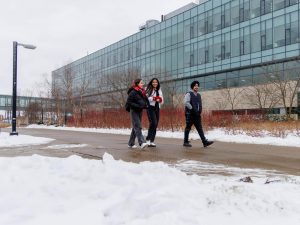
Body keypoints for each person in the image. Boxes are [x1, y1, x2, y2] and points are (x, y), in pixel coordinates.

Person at [183, 81, 214, 148]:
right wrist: (192, 109)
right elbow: (186, 102)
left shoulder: (199, 95)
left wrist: (199, 111)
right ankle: (185, 142)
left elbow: (199, 104)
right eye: (195, 86)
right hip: (190, 114)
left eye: (197, 86)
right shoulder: (189, 94)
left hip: (197, 115)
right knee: (188, 128)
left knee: (200, 128)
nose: (196, 87)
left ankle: (204, 142)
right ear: (192, 87)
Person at [126, 78, 149, 149]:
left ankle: (131, 143)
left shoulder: (142, 91)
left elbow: (144, 101)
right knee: (138, 126)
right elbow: (129, 102)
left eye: (143, 83)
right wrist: (138, 106)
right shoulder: (133, 92)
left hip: (140, 110)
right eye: (141, 83)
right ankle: (142, 142)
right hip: (134, 111)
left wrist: (146, 105)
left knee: (135, 127)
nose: (143, 84)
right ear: (137, 84)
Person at [145, 78, 164, 147]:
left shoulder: (159, 89)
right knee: (153, 123)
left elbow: (162, 101)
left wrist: (160, 99)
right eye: (153, 82)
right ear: (151, 83)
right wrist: (154, 98)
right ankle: (148, 139)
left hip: (157, 108)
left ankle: (152, 141)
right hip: (150, 108)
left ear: (158, 83)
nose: (155, 83)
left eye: (156, 82)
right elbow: (147, 98)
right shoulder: (149, 89)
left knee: (155, 124)